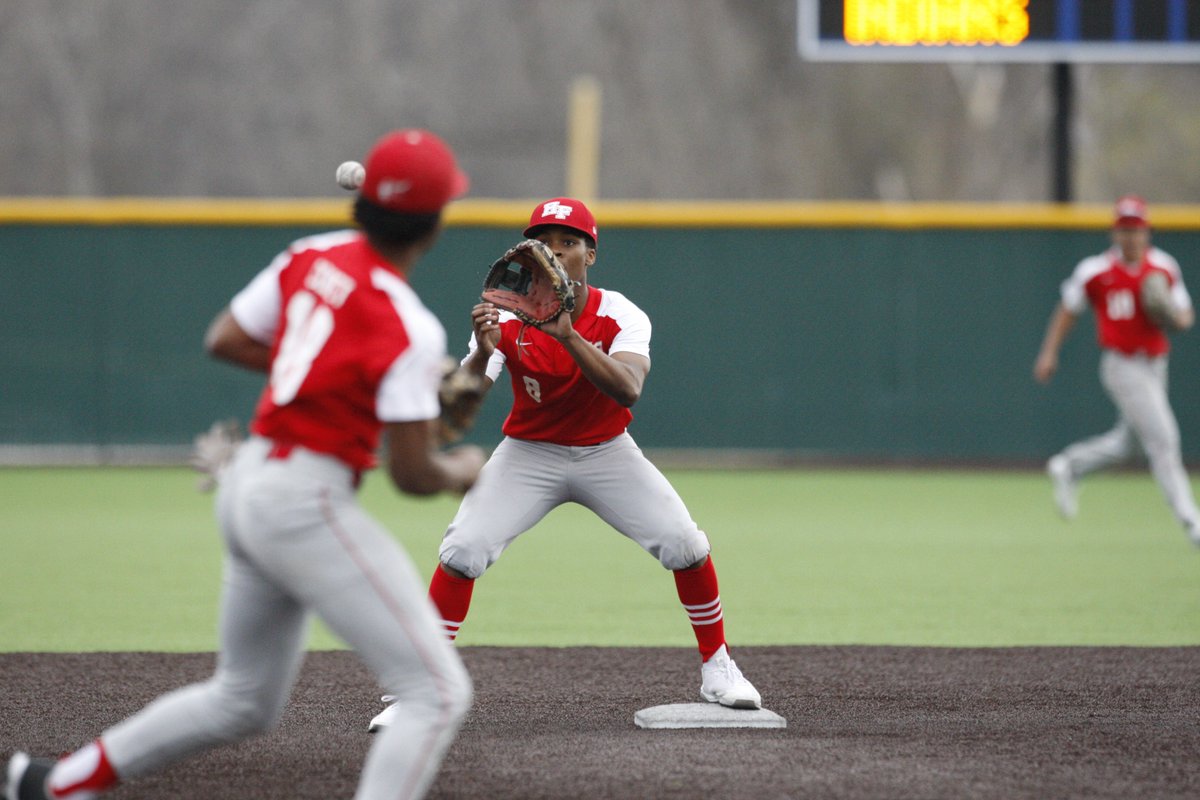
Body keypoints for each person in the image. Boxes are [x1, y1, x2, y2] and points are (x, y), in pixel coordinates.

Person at [4, 130, 487, 800]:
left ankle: (56, 784)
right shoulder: (408, 326)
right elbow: (412, 475)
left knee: (243, 698)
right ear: (433, 225)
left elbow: (225, 338)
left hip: (247, 481)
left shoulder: (309, 255)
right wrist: (462, 469)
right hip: (302, 504)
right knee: (437, 693)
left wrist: (340, 378)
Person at [368, 197, 761, 733]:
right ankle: (421, 690)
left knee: (686, 545)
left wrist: (568, 334)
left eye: (569, 243)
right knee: (462, 550)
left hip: (605, 450)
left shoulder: (620, 313)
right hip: (529, 453)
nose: (555, 253)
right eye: (544, 244)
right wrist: (481, 351)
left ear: (590, 255)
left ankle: (718, 668)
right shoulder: (508, 313)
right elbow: (463, 400)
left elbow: (628, 389)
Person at [1033, 194, 1200, 547]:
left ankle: (1071, 465)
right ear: (1114, 233)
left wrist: (1174, 317)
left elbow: (1186, 313)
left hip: (1156, 364)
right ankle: (1192, 521)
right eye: (1125, 229)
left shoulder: (1164, 267)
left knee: (1129, 445)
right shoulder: (1095, 271)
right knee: (1164, 439)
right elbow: (1068, 310)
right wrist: (1049, 353)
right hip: (1122, 365)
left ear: (1147, 232)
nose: (1131, 237)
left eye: (1136, 229)